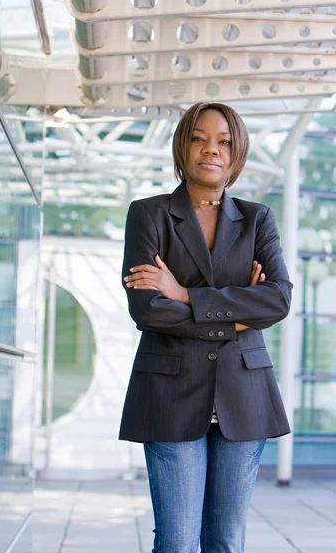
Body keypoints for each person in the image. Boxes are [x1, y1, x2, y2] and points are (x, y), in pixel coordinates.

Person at [119, 102, 293, 553]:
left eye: (224, 141)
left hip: (245, 396)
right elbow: (147, 309)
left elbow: (277, 299)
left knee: (226, 541)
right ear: (183, 146)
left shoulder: (258, 219)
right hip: (170, 396)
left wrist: (183, 294)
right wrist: (238, 314)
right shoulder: (149, 214)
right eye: (199, 138)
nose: (210, 150)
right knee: (177, 542)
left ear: (237, 153)